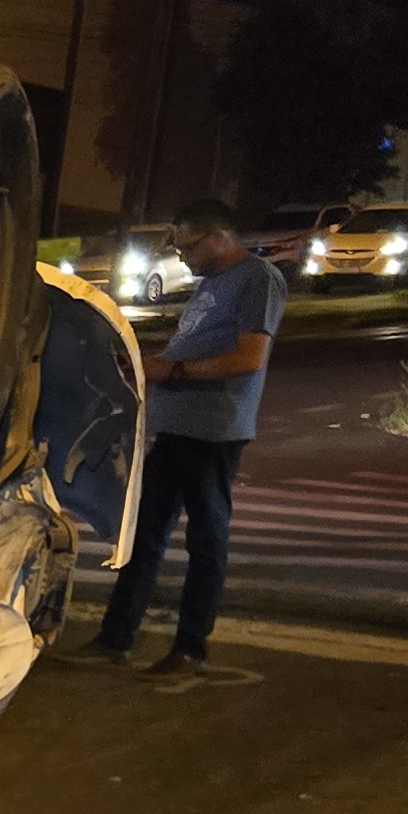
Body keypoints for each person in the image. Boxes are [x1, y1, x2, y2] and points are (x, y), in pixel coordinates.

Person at [93, 195, 283, 674]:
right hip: (176, 427)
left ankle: (189, 647)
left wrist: (169, 369)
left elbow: (249, 358)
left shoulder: (258, 279)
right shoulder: (212, 282)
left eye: (189, 247)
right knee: (144, 533)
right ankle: (115, 637)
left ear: (220, 237)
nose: (182, 257)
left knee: (205, 538)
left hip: (213, 430)